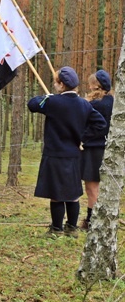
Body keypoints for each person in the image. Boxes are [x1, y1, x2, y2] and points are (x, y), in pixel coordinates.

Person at [27, 67, 107, 238]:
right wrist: (83, 138)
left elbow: (32, 104)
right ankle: (71, 228)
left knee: (56, 194)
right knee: (73, 193)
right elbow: (100, 124)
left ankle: (56, 229)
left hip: (55, 154)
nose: (55, 85)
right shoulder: (84, 104)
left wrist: (46, 97)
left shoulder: (52, 102)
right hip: (73, 154)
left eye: (56, 82)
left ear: (61, 85)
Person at [80, 70, 113, 229]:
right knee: (95, 186)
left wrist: (82, 137)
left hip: (94, 150)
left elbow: (97, 127)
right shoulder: (112, 101)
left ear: (95, 86)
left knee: (92, 187)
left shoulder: (95, 104)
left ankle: (92, 221)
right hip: (103, 149)